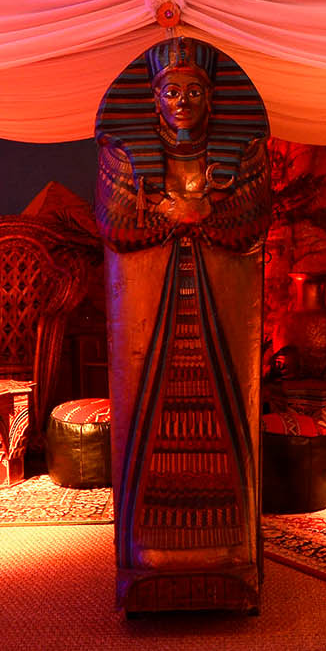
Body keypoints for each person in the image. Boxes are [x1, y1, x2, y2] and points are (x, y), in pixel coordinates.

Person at [95, 38, 271, 612]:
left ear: (213, 98)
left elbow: (250, 223)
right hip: (150, 316)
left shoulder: (244, 153)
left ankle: (231, 556)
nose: (182, 102)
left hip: (221, 311)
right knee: (146, 427)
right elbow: (117, 227)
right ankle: (145, 560)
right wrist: (177, 216)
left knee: (229, 419)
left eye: (195, 91)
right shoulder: (124, 155)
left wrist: (200, 212)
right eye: (171, 91)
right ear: (152, 98)